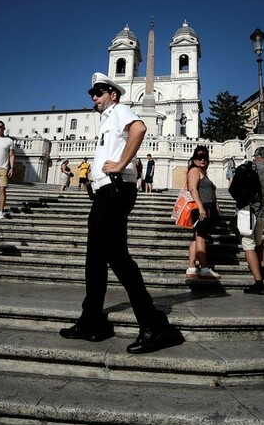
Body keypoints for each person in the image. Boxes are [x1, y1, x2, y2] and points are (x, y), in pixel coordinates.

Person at [59, 72, 183, 354]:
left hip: (114, 191)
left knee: (117, 258)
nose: (94, 97)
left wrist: (120, 164)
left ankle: (155, 325)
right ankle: (92, 320)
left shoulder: (119, 110)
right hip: (105, 192)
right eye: (92, 92)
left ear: (113, 94)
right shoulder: (107, 119)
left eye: (99, 92)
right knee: (95, 258)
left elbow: (139, 129)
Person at [235, 146, 264, 295]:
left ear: (257, 156)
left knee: (248, 243)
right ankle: (263, 268)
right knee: (259, 241)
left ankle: (259, 283)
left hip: (247, 210)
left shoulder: (249, 168)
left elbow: (235, 187)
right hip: (262, 212)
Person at [185, 145, 221, 281]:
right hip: (201, 208)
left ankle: (191, 268)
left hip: (207, 207)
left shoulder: (202, 172)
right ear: (194, 160)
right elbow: (193, 190)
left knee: (196, 237)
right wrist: (201, 208)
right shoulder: (194, 171)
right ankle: (204, 269)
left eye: (205, 158)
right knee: (201, 237)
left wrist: (216, 204)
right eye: (199, 158)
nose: (203, 160)